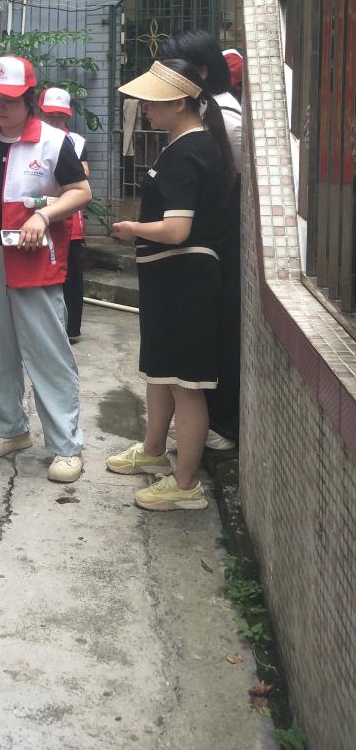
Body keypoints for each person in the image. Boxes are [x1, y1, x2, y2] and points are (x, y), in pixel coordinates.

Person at [107, 59, 236, 511]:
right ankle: (153, 451)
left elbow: (177, 229)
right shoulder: (185, 145)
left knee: (186, 384)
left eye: (152, 101)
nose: (145, 108)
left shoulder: (187, 151)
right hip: (171, 280)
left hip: (185, 281)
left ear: (180, 102)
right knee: (162, 374)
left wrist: (132, 228)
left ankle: (185, 486)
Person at [0, 56, 92, 483]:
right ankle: (10, 428)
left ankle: (66, 445)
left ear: (29, 99)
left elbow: (80, 192)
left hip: (32, 256)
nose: (0, 107)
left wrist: (44, 215)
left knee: (47, 350)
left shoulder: (54, 142)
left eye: (9, 100)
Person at [160, 31, 242, 450]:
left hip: (219, 240)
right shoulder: (204, 112)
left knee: (220, 331)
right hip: (201, 240)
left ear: (201, 72)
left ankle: (223, 424)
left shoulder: (226, 119)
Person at [37, 86, 90, 343]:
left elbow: (84, 173)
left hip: (69, 219)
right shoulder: (33, 139)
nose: (55, 121)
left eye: (60, 116)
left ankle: (70, 329)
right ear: (40, 113)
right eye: (50, 116)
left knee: (71, 276)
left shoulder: (75, 141)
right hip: (36, 215)